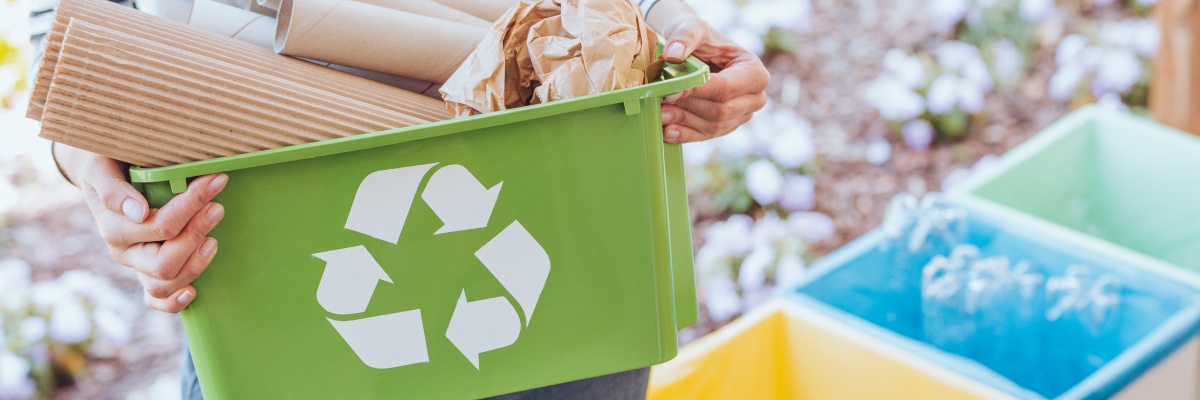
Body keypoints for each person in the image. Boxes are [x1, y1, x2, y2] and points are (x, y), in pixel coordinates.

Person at [51, 0, 769, 398]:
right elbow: (75, 19)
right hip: (263, 242)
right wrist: (97, 172)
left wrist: (670, 29)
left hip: (565, 216)